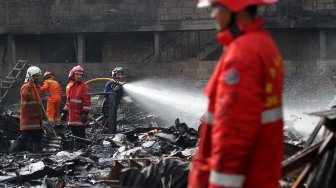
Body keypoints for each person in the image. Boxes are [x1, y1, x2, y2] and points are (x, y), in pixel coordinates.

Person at [188, 0, 284, 187]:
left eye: (216, 7)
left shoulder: (242, 54)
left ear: (235, 8)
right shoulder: (264, 44)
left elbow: (233, 137)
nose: (212, 14)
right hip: (259, 175)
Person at [10, 66, 44, 153]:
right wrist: (29, 84)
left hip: (37, 119)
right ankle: (12, 152)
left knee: (37, 138)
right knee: (23, 137)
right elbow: (25, 95)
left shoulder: (37, 87)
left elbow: (38, 102)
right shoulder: (25, 87)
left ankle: (38, 155)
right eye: (36, 75)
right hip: (28, 118)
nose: (38, 77)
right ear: (31, 76)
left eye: (38, 75)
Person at [62, 65, 91, 141]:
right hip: (72, 116)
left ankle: (82, 149)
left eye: (81, 75)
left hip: (80, 116)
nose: (79, 76)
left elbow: (87, 101)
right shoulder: (70, 86)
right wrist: (64, 111)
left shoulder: (84, 87)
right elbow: (68, 100)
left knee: (80, 135)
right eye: (77, 74)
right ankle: (77, 150)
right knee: (74, 134)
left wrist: (85, 113)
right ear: (73, 75)